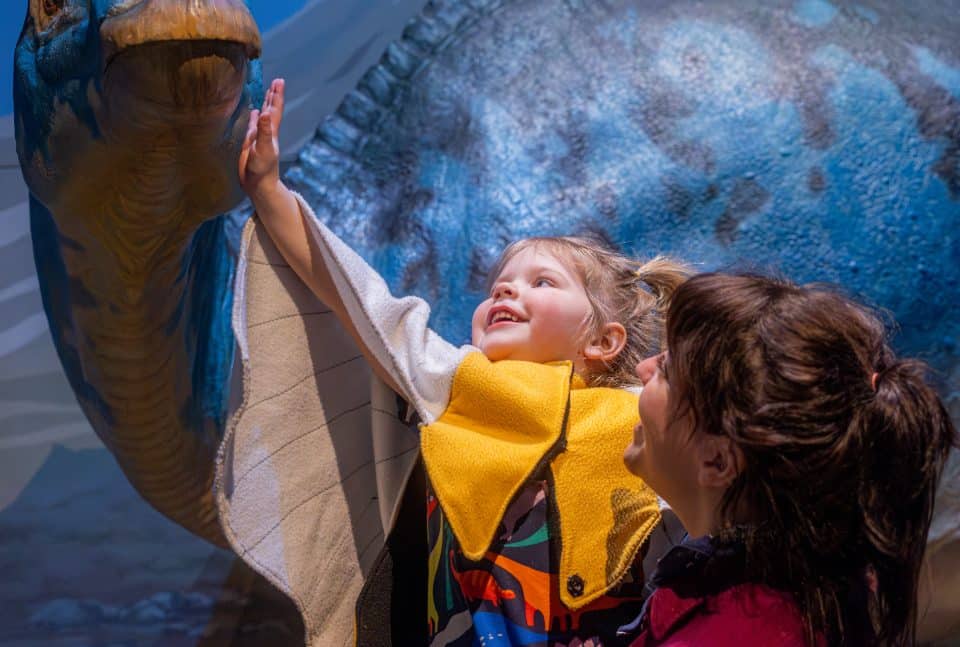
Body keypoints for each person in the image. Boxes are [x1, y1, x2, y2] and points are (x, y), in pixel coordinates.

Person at [239, 79, 690, 645]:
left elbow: (705, 510)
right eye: (498, 286)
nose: (505, 293)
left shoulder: (637, 410)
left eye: (540, 282)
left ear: (602, 342)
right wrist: (269, 191)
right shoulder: (454, 381)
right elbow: (357, 298)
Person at [622, 273, 958, 646]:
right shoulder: (812, 580)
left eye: (665, 371)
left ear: (718, 462)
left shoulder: (735, 635)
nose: (642, 368)